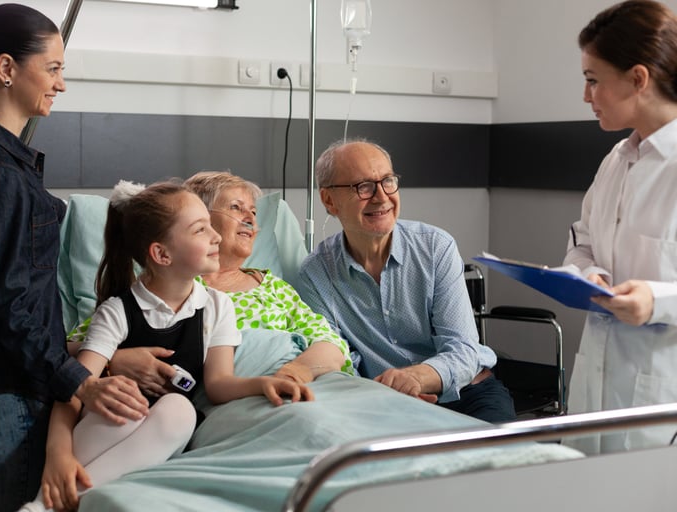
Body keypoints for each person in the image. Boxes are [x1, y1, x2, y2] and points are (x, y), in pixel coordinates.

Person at [0, 5, 148, 511]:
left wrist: (73, 352)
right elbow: (9, 305)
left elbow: (0, 293)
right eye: (52, 69)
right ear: (6, 69)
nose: (61, 84)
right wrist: (83, 385)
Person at [21, 180, 311, 512]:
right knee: (130, 408)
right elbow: (73, 385)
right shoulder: (117, 311)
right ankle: (49, 505)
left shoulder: (217, 307)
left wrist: (266, 383)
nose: (215, 236)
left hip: (163, 430)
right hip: (102, 430)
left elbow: (218, 384)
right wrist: (57, 455)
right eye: (201, 229)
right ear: (162, 253)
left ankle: (51, 506)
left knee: (180, 410)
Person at [296, 139, 517, 423]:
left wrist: (417, 377)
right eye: (363, 186)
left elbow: (463, 348)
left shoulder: (435, 247)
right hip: (379, 402)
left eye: (388, 181)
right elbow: (339, 361)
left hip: (466, 393)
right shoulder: (316, 274)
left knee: (503, 461)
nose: (381, 197)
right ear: (329, 200)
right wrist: (390, 391)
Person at [90, 171, 352, 398]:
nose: (250, 218)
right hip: (224, 404)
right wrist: (116, 360)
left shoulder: (274, 288)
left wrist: (295, 373)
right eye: (236, 208)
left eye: (254, 211)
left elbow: (330, 344)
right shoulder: (160, 291)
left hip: (292, 389)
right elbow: (81, 346)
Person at [562, 0, 677, 454]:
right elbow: (582, 241)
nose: (586, 96)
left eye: (593, 81)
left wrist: (657, 300)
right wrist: (588, 276)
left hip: (661, 398)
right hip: (596, 384)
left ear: (638, 78)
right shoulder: (617, 160)